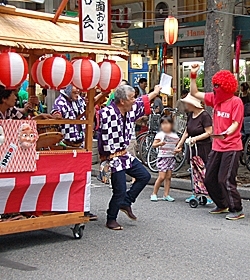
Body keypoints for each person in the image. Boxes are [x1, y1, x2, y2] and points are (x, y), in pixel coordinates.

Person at [98, 84, 161, 230]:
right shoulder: (105, 113)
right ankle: (111, 219)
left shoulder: (130, 109)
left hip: (124, 154)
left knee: (144, 176)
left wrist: (155, 91)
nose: (134, 100)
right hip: (112, 157)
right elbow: (93, 125)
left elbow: (142, 101)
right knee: (119, 189)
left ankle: (126, 201)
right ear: (122, 101)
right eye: (131, 98)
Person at [190, 64, 244, 220]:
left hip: (232, 146)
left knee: (225, 179)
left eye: (218, 86)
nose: (215, 89)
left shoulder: (236, 102)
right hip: (217, 145)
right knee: (209, 179)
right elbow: (194, 92)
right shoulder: (215, 99)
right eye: (214, 86)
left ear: (227, 87)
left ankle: (237, 209)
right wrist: (193, 75)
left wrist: (228, 132)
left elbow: (235, 122)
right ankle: (222, 204)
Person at [51, 85, 98, 221]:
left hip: (81, 146)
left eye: (78, 87)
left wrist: (92, 109)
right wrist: (56, 116)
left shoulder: (80, 101)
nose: (77, 90)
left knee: (83, 180)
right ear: (66, 88)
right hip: (67, 147)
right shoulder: (60, 102)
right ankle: (67, 208)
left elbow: (90, 113)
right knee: (67, 180)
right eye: (74, 88)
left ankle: (84, 208)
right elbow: (56, 115)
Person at [176, 93, 213, 203]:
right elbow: (187, 131)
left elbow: (209, 132)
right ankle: (195, 192)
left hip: (203, 147)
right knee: (193, 169)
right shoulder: (190, 115)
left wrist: (196, 138)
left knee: (203, 170)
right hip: (192, 146)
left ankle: (208, 194)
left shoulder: (205, 115)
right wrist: (180, 144)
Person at [150, 116, 179, 202]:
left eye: (167, 123)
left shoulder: (174, 135)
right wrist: (160, 143)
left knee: (169, 177)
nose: (165, 126)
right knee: (162, 177)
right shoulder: (160, 134)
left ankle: (166, 194)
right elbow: (153, 145)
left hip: (171, 157)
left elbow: (178, 146)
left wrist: (178, 150)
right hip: (162, 157)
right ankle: (154, 193)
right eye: (163, 123)